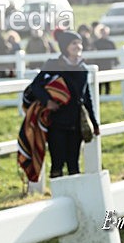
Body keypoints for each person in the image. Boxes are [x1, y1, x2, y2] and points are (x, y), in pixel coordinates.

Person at [29, 30, 100, 178]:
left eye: (79, 43)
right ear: (65, 46)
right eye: (74, 43)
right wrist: (47, 101)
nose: (78, 46)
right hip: (57, 122)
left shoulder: (83, 69)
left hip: (76, 122)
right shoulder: (53, 64)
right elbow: (36, 86)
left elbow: (87, 97)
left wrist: (94, 122)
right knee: (57, 163)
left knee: (74, 163)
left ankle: (76, 197)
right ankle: (57, 197)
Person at [93, 24, 119, 95]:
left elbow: (114, 53)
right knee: (99, 81)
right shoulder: (96, 43)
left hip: (108, 63)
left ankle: (107, 94)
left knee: (108, 80)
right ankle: (99, 95)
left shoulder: (110, 43)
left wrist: (116, 61)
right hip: (100, 63)